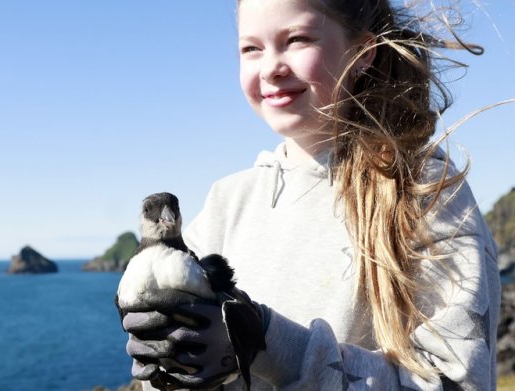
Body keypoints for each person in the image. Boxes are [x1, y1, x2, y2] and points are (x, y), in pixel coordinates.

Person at [118, 0, 501, 389]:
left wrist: (266, 341)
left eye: (297, 39)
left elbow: (457, 382)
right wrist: (169, 370)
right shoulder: (225, 203)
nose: (270, 68)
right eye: (251, 48)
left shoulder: (423, 192)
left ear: (362, 53)